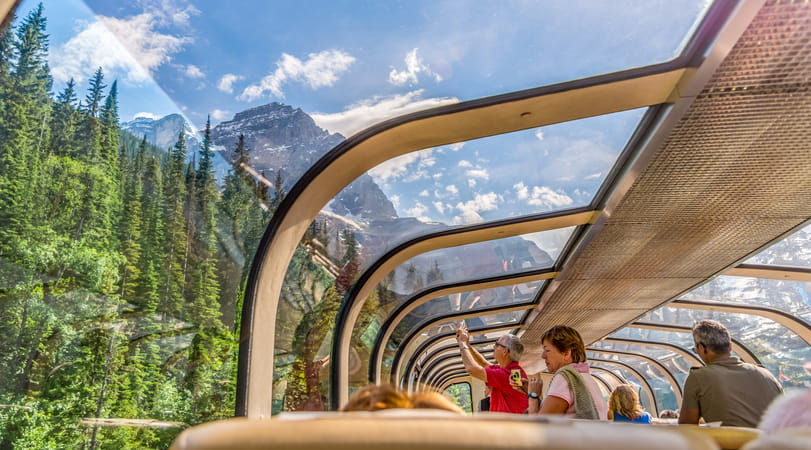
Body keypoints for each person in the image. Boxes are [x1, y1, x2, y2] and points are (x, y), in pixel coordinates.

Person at [678, 319, 783, 427]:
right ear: (730, 346)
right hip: (775, 442)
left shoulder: (698, 377)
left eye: (696, 350)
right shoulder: (766, 374)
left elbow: (687, 426)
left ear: (701, 348)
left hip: (732, 444)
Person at [526, 325, 607, 419]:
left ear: (566, 353)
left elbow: (540, 425)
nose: (543, 356)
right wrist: (527, 390)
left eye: (547, 350)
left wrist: (533, 396)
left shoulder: (565, 377)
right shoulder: (585, 377)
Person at [455, 322, 528, 414]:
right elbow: (483, 363)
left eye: (497, 344)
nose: (494, 346)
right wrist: (468, 345)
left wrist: (462, 344)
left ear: (505, 351)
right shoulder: (510, 370)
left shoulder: (508, 375)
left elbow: (472, 369)